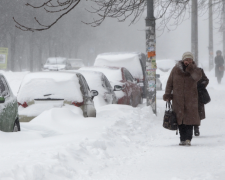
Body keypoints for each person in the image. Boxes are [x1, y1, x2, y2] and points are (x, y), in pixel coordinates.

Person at [163, 52, 202, 146]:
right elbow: (169, 83)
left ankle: (188, 138)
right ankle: (182, 139)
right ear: (183, 60)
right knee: (180, 120)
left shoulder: (195, 69)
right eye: (186, 59)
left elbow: (198, 78)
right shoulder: (175, 69)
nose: (187, 61)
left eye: (190, 59)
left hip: (191, 99)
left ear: (192, 60)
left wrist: (191, 68)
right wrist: (168, 94)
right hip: (178, 99)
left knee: (190, 119)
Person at [194, 69, 209, 136]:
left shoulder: (199, 70)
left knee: (197, 112)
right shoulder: (183, 71)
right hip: (187, 95)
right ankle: (189, 128)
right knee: (188, 112)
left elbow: (206, 80)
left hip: (198, 95)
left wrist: (201, 86)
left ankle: (196, 127)